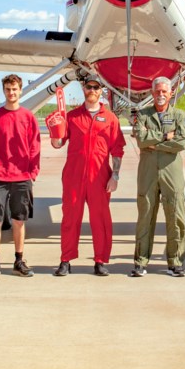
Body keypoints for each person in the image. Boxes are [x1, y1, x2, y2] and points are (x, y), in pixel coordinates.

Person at [51, 73, 126, 277]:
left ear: (101, 91)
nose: (92, 90)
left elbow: (117, 150)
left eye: (95, 87)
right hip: (74, 176)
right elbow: (59, 143)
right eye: (88, 87)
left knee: (100, 219)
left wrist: (115, 176)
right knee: (70, 218)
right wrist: (54, 131)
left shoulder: (110, 118)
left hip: (100, 177)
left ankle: (100, 260)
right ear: (83, 89)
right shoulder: (73, 116)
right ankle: (65, 260)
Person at [0, 74, 41, 278]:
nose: (11, 93)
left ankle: (18, 260)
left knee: (19, 220)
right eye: (8, 89)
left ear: (20, 90)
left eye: (14, 89)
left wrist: (33, 172)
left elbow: (35, 146)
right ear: (4, 91)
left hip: (22, 177)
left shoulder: (28, 117)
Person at [130, 77, 185, 277]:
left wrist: (153, 142)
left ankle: (175, 261)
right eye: (157, 92)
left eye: (164, 91)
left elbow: (181, 142)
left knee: (176, 215)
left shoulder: (179, 116)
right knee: (145, 214)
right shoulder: (143, 115)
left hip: (171, 171)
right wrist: (165, 136)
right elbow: (140, 139)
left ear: (170, 93)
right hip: (148, 172)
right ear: (152, 94)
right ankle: (141, 261)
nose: (161, 95)